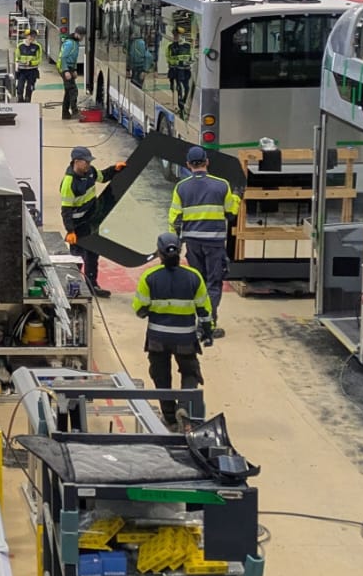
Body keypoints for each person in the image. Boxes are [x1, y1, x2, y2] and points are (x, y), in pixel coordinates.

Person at [132, 232, 214, 415]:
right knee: (190, 372)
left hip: (157, 339)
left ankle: (169, 416)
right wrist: (208, 331)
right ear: (180, 251)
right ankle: (184, 407)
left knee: (161, 376)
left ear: (159, 253)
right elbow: (204, 310)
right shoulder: (193, 276)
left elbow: (140, 309)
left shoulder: (149, 276)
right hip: (185, 338)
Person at [168, 146, 239, 327]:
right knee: (213, 283)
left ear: (188, 165)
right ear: (207, 162)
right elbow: (231, 213)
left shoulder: (181, 187)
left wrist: (174, 244)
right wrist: (237, 198)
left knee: (198, 282)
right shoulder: (222, 185)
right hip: (214, 243)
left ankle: (197, 319)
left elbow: (175, 218)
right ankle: (209, 323)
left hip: (192, 243)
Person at [59, 144, 125, 296]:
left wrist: (115, 169)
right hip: (78, 224)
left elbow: (103, 176)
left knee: (93, 252)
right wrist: (70, 231)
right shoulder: (69, 182)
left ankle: (91, 285)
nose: (89, 164)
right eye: (86, 162)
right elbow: (66, 210)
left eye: (89, 161)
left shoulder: (91, 172)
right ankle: (71, 284)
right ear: (76, 161)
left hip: (92, 219)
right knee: (77, 256)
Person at [165, 30, 195, 112]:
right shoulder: (170, 46)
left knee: (187, 87)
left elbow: (192, 57)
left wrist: (189, 61)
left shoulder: (188, 45)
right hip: (176, 70)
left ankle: (183, 101)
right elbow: (168, 58)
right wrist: (176, 62)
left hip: (186, 70)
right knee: (179, 87)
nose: (176, 37)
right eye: (175, 36)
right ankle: (180, 104)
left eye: (178, 35)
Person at [58, 27, 84, 119]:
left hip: (69, 68)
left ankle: (65, 113)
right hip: (64, 68)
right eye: (81, 36)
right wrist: (66, 71)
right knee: (73, 90)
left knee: (68, 91)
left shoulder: (75, 42)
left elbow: (73, 58)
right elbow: (63, 58)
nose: (82, 38)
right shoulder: (69, 43)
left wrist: (74, 70)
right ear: (76, 34)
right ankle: (75, 111)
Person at [14, 26, 44, 101]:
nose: (32, 38)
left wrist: (31, 63)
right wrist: (17, 64)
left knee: (29, 89)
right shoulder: (20, 46)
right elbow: (17, 57)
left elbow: (39, 60)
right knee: (19, 88)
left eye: (34, 36)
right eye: (31, 36)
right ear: (27, 36)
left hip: (32, 71)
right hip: (22, 71)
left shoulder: (37, 46)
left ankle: (28, 101)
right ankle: (20, 101)